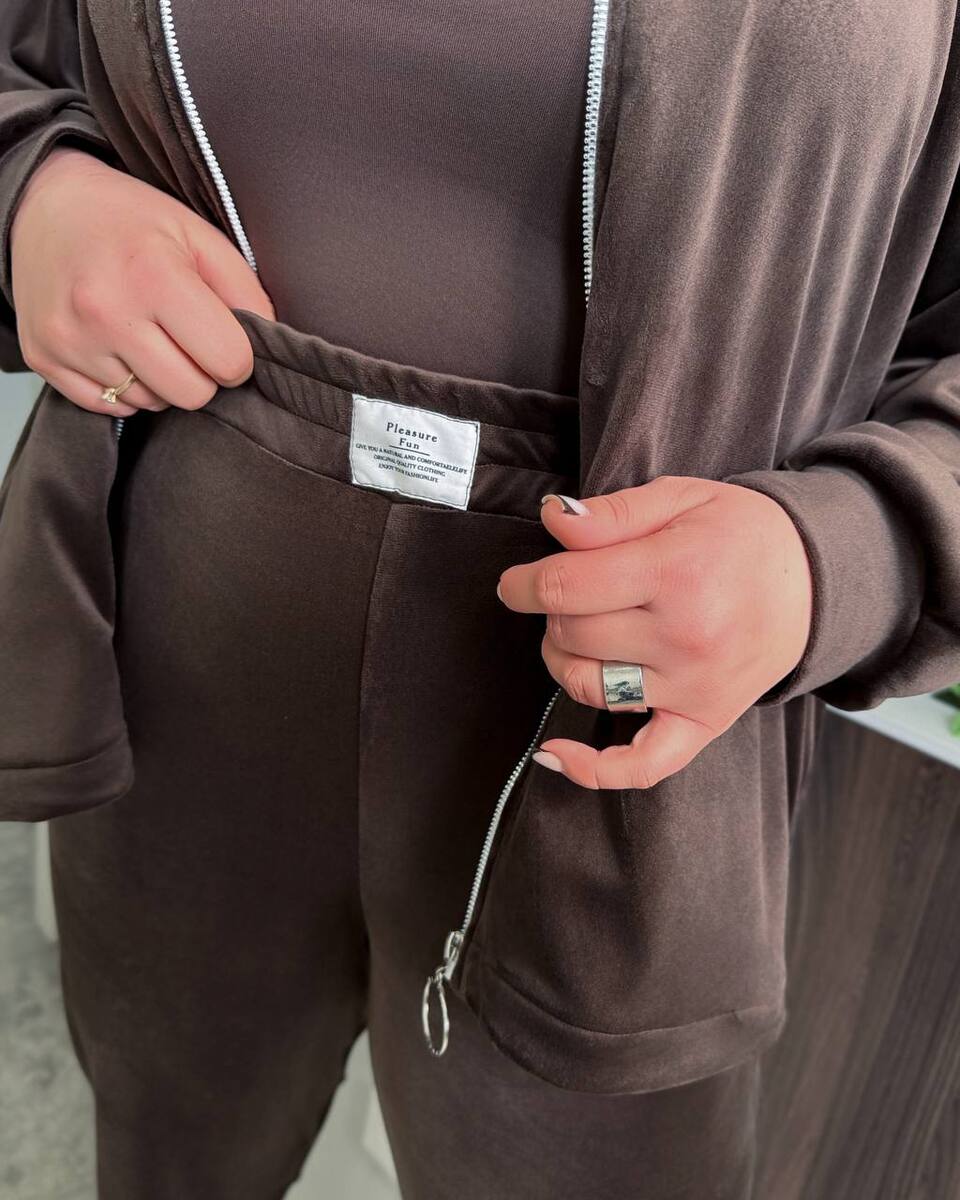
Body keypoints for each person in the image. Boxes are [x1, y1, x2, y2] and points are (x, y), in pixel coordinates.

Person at [1, 2, 959, 1197]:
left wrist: (845, 551)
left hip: (625, 755)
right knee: (165, 1144)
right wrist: (30, 193)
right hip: (181, 633)